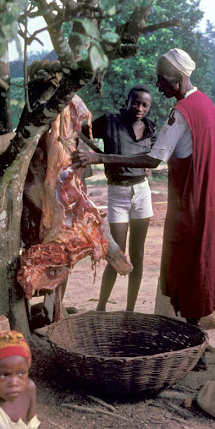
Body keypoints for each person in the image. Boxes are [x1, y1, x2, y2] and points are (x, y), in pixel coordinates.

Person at [72, 49, 215, 361]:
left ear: (176, 79)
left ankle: (198, 351)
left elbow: (153, 159)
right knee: (214, 265)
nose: (158, 85)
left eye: (161, 80)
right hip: (209, 201)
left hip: (190, 203)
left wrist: (100, 157)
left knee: (189, 266)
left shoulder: (181, 112)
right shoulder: (205, 104)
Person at [83, 85, 156, 312]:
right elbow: (81, 132)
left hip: (141, 192)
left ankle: (130, 310)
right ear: (127, 101)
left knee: (138, 254)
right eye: (136, 102)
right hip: (118, 193)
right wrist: (95, 155)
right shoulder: (110, 122)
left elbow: (151, 160)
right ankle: (102, 307)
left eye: (145, 105)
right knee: (117, 252)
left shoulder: (151, 130)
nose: (139, 108)